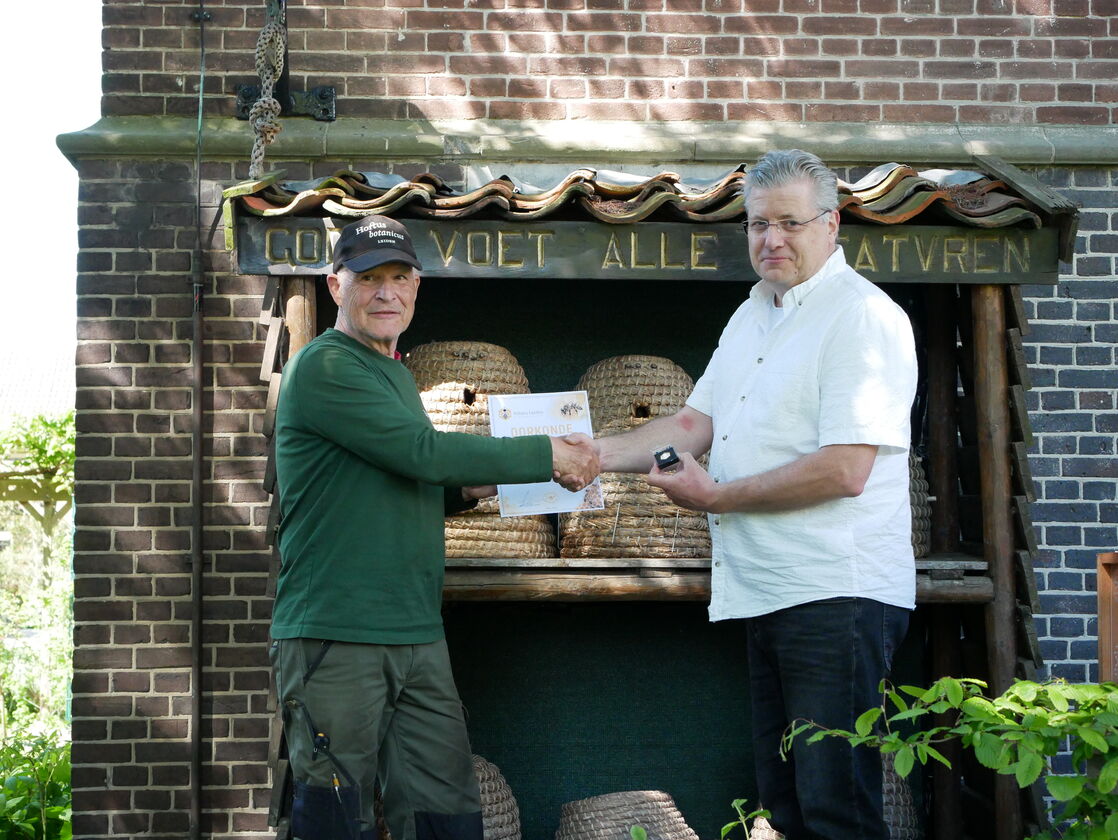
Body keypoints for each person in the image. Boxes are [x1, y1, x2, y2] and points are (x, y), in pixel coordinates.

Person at [596, 150, 918, 840]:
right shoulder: (752, 317)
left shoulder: (862, 318)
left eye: (789, 224)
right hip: (770, 591)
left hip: (838, 595)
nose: (771, 240)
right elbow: (691, 426)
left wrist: (715, 497)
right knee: (789, 807)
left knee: (839, 810)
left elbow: (844, 469)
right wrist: (588, 455)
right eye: (757, 225)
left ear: (832, 226)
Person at [269, 215, 598, 840]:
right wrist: (548, 454)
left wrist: (477, 484)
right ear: (336, 286)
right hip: (337, 632)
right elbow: (422, 453)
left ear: (417, 286)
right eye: (369, 278)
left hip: (416, 633)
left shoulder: (393, 371)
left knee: (448, 815)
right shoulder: (325, 367)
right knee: (336, 818)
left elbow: (418, 475)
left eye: (399, 277)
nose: (386, 292)